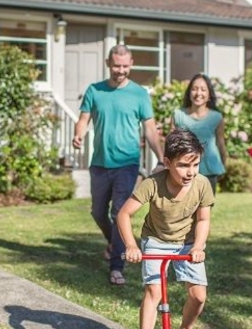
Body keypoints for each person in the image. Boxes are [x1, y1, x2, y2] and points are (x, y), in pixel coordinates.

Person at [72, 44, 165, 285]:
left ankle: (117, 266)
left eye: (125, 66)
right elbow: (83, 120)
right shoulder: (95, 90)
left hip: (127, 164)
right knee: (97, 212)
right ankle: (114, 242)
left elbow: (151, 131)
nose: (120, 70)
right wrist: (78, 134)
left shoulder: (139, 94)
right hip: (100, 163)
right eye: (116, 65)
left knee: (119, 212)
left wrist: (162, 157)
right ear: (108, 63)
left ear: (131, 63)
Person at [117, 128, 214, 329]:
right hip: (156, 240)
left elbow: (203, 220)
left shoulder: (202, 184)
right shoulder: (152, 184)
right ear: (168, 163)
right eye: (183, 165)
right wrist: (131, 246)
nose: (191, 172)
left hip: (187, 243)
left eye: (195, 165)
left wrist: (197, 247)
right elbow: (124, 214)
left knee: (198, 296)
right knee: (154, 292)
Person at [170, 73, 227, 194]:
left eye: (203, 89)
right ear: (189, 92)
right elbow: (170, 144)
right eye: (194, 89)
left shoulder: (217, 117)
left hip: (210, 172)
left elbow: (221, 144)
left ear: (209, 95)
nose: (198, 93)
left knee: (205, 210)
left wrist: (223, 165)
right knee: (184, 210)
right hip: (184, 172)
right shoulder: (178, 115)